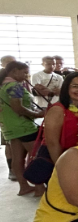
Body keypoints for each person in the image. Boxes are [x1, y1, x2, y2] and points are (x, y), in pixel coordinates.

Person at [0, 61, 46, 195]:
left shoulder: (2, 85)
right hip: (24, 127)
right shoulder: (14, 86)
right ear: (14, 71)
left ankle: (23, 186)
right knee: (37, 157)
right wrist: (38, 114)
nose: (27, 75)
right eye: (25, 72)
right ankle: (39, 187)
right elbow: (18, 108)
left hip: (9, 127)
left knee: (17, 158)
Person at [41, 72, 78, 165]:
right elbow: (52, 143)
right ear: (66, 87)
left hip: (77, 158)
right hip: (59, 159)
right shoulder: (58, 109)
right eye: (75, 86)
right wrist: (60, 166)